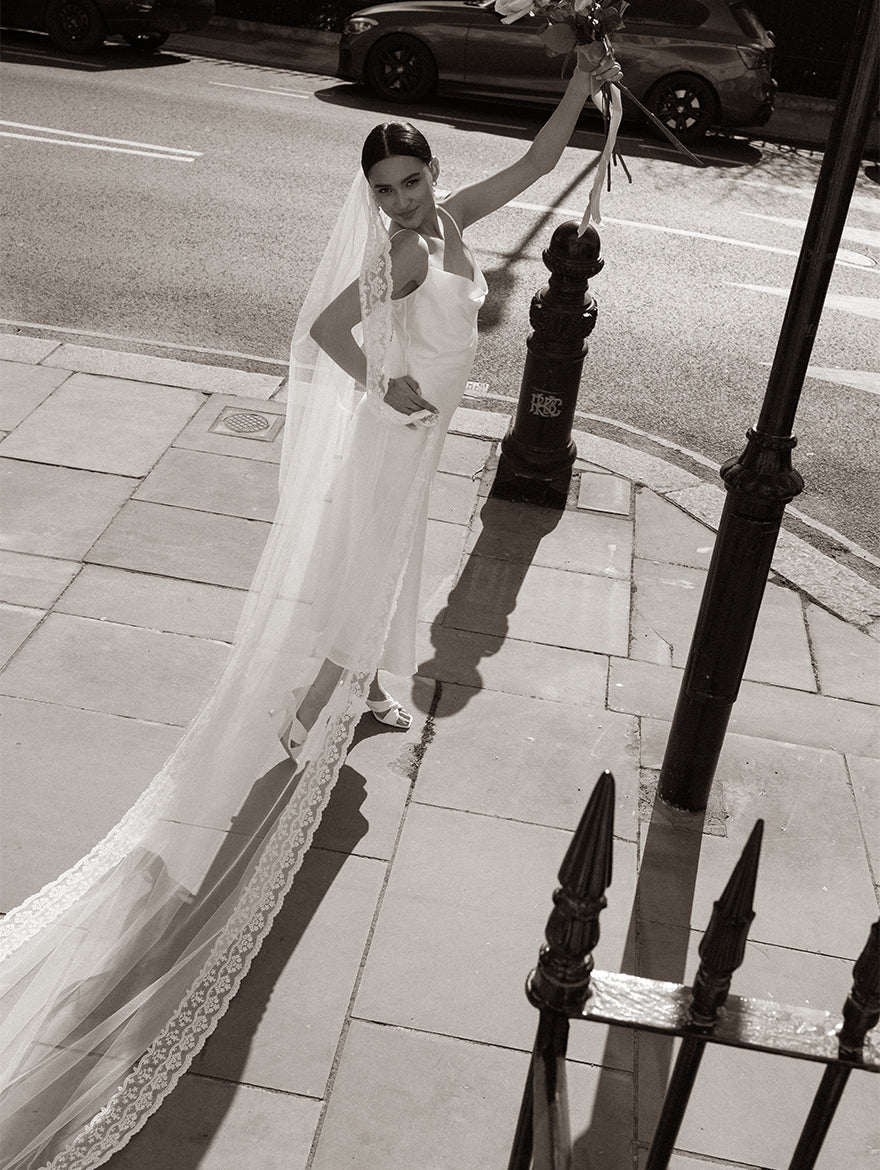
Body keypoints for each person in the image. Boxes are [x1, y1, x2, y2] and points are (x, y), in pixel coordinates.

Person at [0, 45, 620, 1170]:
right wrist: (385, 385)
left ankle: (354, 688)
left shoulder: (454, 219)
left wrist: (583, 82)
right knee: (366, 563)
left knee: (389, 565)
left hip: (425, 437)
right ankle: (317, 707)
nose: (401, 197)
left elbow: (536, 159)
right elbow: (332, 332)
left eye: (410, 179)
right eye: (384, 188)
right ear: (373, 199)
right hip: (396, 435)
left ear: (430, 169)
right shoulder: (392, 250)